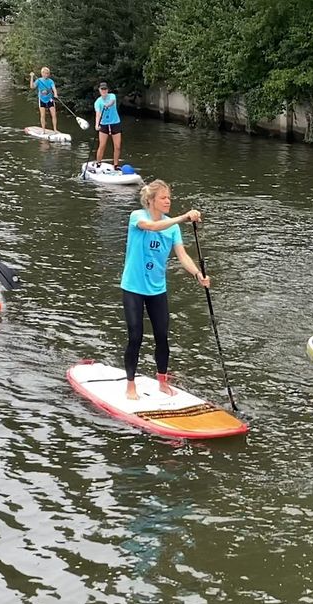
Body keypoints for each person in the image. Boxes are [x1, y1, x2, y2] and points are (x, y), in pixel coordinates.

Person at [119, 180, 209, 400]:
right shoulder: (137, 217)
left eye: (169, 197)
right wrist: (184, 217)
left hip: (157, 290)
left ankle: (162, 381)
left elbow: (182, 255)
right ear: (151, 201)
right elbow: (152, 227)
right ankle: (130, 385)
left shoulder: (173, 228)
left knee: (162, 336)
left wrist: (198, 274)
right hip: (133, 288)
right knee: (135, 336)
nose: (168, 201)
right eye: (163, 198)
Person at [93, 82, 121, 167]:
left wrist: (107, 105)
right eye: (102, 89)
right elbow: (98, 114)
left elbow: (112, 102)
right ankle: (98, 163)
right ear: (99, 90)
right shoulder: (98, 102)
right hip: (104, 124)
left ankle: (115, 165)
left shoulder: (112, 96)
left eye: (105, 89)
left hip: (115, 123)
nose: (104, 91)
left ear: (107, 90)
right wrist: (96, 125)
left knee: (117, 146)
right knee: (102, 145)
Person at [29, 67, 58, 132]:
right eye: (44, 73)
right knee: (42, 115)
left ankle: (55, 129)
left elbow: (54, 88)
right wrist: (31, 77)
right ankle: (43, 130)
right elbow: (32, 87)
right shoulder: (39, 80)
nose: (46, 75)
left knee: (53, 114)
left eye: (47, 73)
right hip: (42, 99)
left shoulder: (50, 81)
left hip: (50, 99)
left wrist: (55, 94)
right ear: (42, 73)